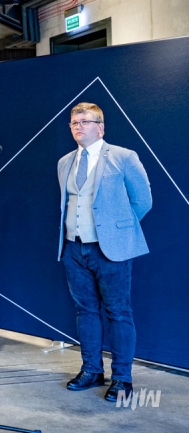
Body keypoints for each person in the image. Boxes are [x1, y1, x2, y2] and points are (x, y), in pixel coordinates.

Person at [58, 102, 152, 402]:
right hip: (74, 248)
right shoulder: (64, 162)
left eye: (84, 121)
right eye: (73, 122)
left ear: (101, 126)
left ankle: (122, 378)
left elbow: (143, 200)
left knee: (119, 312)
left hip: (110, 250)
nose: (78, 127)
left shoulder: (124, 157)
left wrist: (118, 231)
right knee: (85, 311)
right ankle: (91, 370)